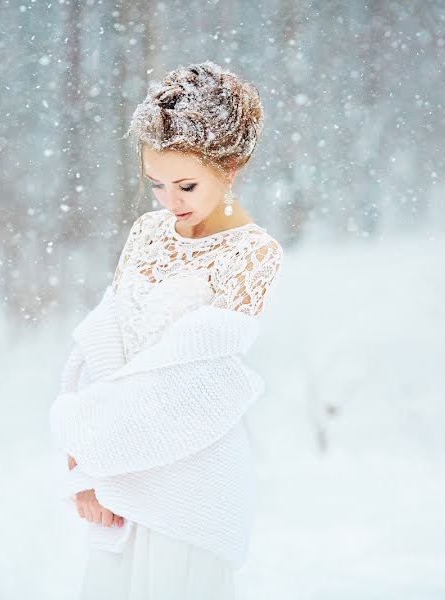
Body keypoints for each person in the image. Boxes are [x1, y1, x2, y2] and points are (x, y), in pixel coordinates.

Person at [64, 60, 284, 600]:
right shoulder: (147, 232)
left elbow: (193, 383)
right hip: (117, 463)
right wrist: (83, 462)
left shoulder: (254, 254)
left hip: (192, 478)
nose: (170, 202)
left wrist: (104, 453)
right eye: (156, 184)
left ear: (229, 167)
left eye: (185, 184)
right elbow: (101, 340)